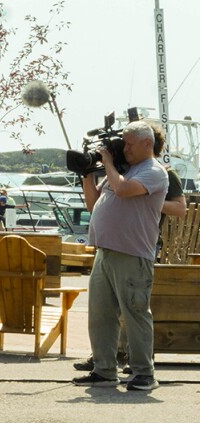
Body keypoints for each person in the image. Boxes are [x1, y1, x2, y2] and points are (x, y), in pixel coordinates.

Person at [73, 122, 186, 373]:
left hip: (133, 254)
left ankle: (143, 373)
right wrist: (87, 172)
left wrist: (109, 164)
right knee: (100, 315)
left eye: (129, 144)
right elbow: (93, 205)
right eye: (123, 143)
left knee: (135, 316)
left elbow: (123, 191)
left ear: (148, 144)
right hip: (105, 251)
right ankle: (103, 370)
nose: (124, 149)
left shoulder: (155, 171)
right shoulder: (124, 171)